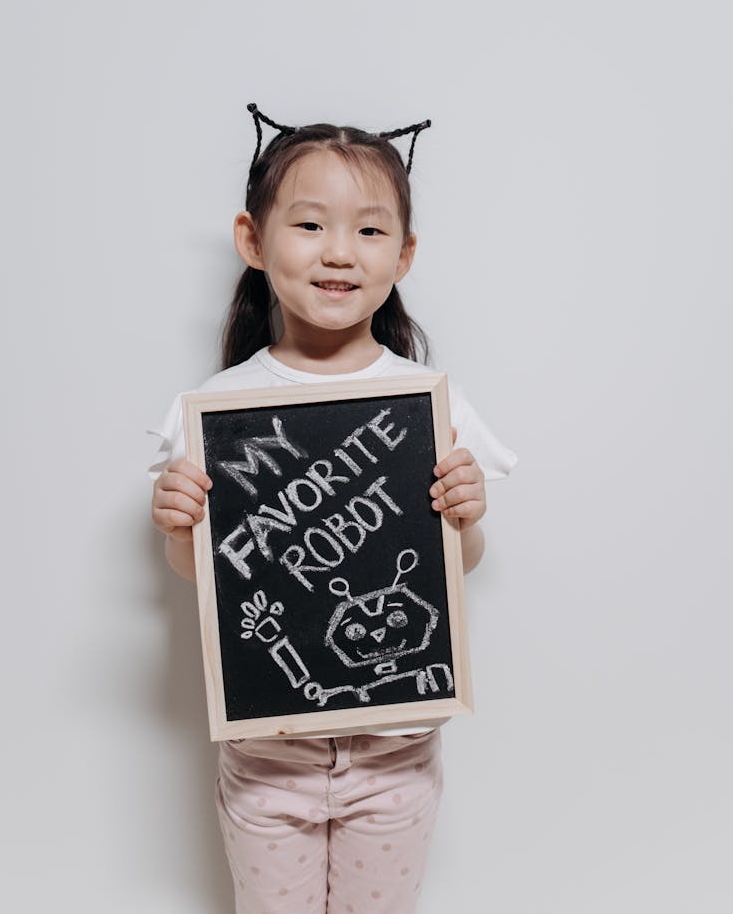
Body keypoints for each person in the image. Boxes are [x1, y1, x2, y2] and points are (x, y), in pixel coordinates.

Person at [149, 103, 516, 914]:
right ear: (253, 240)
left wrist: (468, 514)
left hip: (396, 752)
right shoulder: (217, 409)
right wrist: (181, 527)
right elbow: (201, 575)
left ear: (405, 254)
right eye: (310, 224)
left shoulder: (428, 405)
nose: (339, 253)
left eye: (370, 231)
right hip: (267, 753)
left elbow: (460, 561)